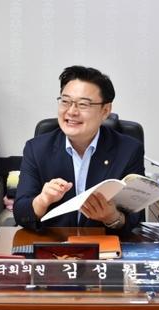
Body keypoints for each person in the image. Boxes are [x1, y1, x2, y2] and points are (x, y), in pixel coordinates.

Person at [13, 65, 144, 234]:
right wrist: (42, 200)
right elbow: (20, 213)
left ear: (105, 111)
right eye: (65, 101)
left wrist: (111, 217)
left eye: (83, 104)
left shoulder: (129, 150)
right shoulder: (36, 149)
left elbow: (135, 217)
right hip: (54, 247)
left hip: (104, 248)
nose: (71, 111)